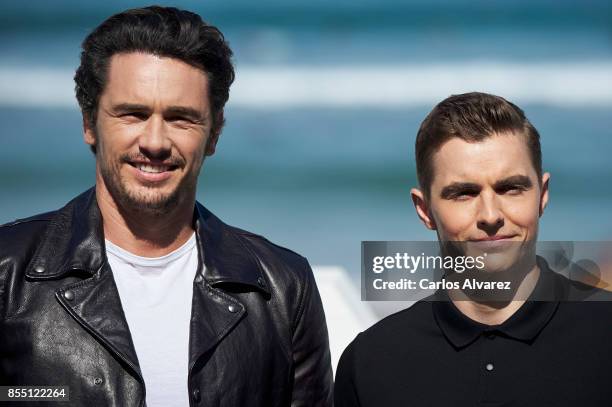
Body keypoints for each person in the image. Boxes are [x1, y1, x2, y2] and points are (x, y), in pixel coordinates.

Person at [0, 6, 332, 406]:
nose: (154, 141)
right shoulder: (8, 272)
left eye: (180, 118)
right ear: (90, 122)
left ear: (214, 133)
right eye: (133, 114)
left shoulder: (281, 287)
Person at [334, 92, 612, 406]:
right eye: (464, 193)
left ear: (542, 195)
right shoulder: (372, 362)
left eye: (510, 188)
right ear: (424, 210)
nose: (490, 215)